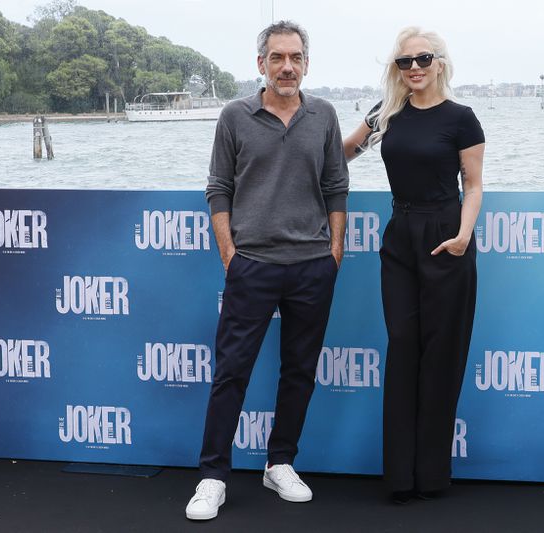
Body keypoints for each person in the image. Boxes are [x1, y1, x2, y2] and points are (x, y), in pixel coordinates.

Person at [186, 20, 349, 521]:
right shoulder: (234, 115)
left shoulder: (323, 115)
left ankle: (280, 462)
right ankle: (213, 475)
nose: (287, 66)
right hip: (252, 265)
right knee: (231, 372)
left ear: (305, 63)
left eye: (295, 57)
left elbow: (335, 187)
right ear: (261, 64)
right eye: (277, 57)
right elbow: (218, 188)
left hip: (311, 266)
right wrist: (230, 253)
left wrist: (334, 252)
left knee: (299, 372)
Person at [343, 27, 484, 504]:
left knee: (440, 355)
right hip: (400, 236)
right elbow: (341, 153)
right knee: (403, 347)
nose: (415, 67)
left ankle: (432, 476)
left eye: (423, 58)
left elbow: (474, 184)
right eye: (405, 62)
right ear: (396, 69)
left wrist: (464, 235)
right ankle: (400, 477)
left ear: (440, 62)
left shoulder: (462, 119)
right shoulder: (387, 115)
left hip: (447, 237)